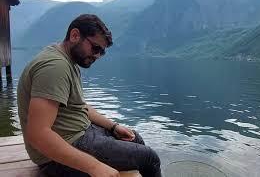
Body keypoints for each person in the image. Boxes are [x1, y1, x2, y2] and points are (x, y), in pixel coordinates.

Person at [17, 14, 161, 177]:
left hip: (80, 133)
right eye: (95, 48)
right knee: (150, 158)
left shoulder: (68, 61)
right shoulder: (55, 67)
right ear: (74, 35)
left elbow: (80, 106)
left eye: (102, 52)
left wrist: (113, 127)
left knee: (135, 138)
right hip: (54, 158)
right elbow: (38, 134)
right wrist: (94, 167)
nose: (97, 56)